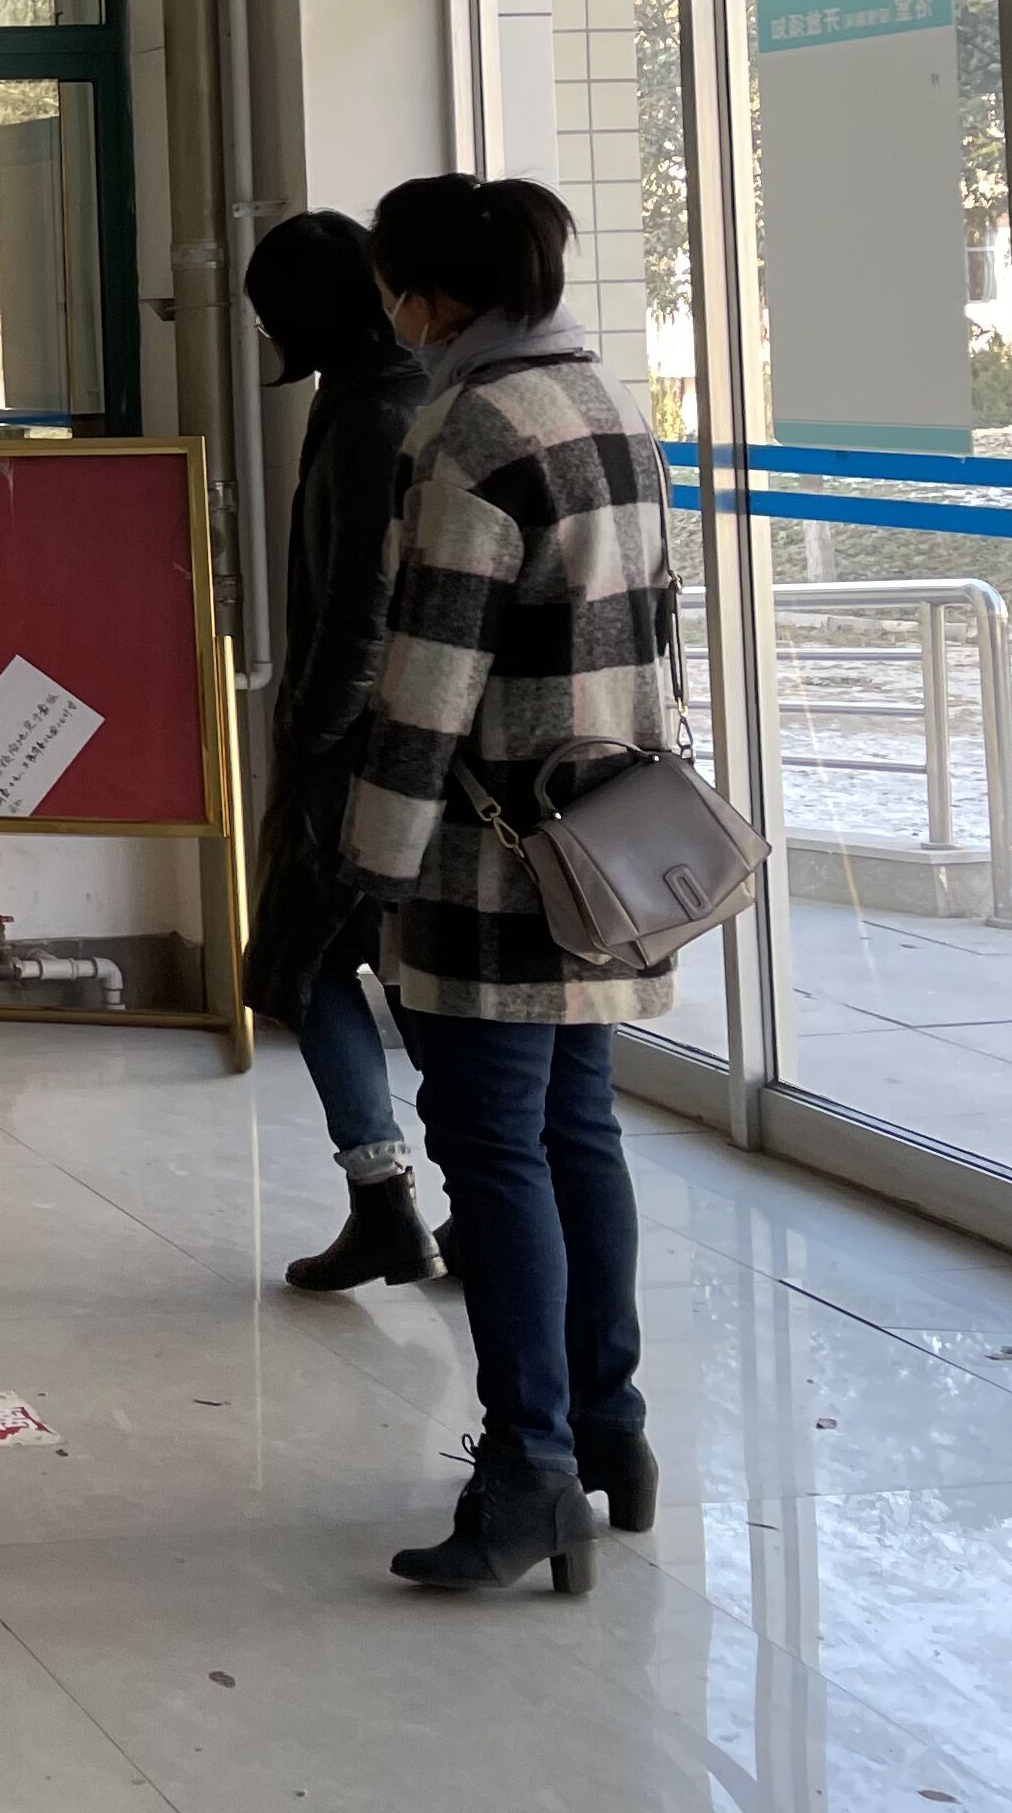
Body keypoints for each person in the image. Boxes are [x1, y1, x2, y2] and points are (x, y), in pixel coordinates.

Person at [346, 173, 677, 1595]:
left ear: (430, 298)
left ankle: (530, 1468)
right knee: (578, 1129)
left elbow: (428, 683)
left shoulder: (468, 434)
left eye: (395, 291)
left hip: (491, 859)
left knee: (492, 1149)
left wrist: (371, 863)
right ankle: (610, 1429)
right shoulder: (608, 405)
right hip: (602, 843)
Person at [236, 210, 441, 1292]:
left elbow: (360, 607)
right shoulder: (389, 389)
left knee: (308, 964)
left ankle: (385, 1199)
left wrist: (309, 728)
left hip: (354, 751)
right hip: (397, 743)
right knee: (392, 970)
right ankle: (467, 1203)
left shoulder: (372, 414)